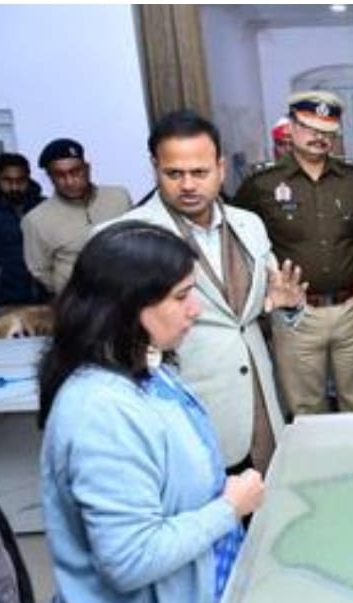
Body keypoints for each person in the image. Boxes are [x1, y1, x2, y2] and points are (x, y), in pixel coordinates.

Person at [38, 220, 265, 603]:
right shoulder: (100, 412)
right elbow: (131, 559)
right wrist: (229, 509)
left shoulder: (145, 367)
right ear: (127, 305)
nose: (195, 309)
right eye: (181, 296)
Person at [104, 109, 305, 474]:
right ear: (155, 168)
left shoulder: (249, 224)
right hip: (184, 411)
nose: (188, 185)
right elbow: (110, 340)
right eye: (174, 173)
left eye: (200, 172)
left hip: (260, 401)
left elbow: (253, 309)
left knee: (265, 502)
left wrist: (285, 307)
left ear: (221, 168)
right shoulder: (126, 239)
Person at [234, 90, 353, 414]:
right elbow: (238, 238)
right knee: (305, 409)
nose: (318, 137)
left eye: (327, 131)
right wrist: (260, 296)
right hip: (296, 314)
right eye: (310, 127)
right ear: (292, 126)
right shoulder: (262, 183)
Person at [20, 139, 132, 295]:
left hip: (127, 294)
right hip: (79, 302)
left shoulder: (118, 197)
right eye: (59, 175)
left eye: (75, 171)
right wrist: (70, 291)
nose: (69, 181)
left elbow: (135, 243)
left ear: (87, 168)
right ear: (49, 177)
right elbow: (40, 270)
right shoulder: (36, 220)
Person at [0, 153, 49, 312]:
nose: (14, 187)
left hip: (49, 297)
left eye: (20, 180)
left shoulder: (45, 207)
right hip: (9, 301)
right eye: (7, 180)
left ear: (28, 178)